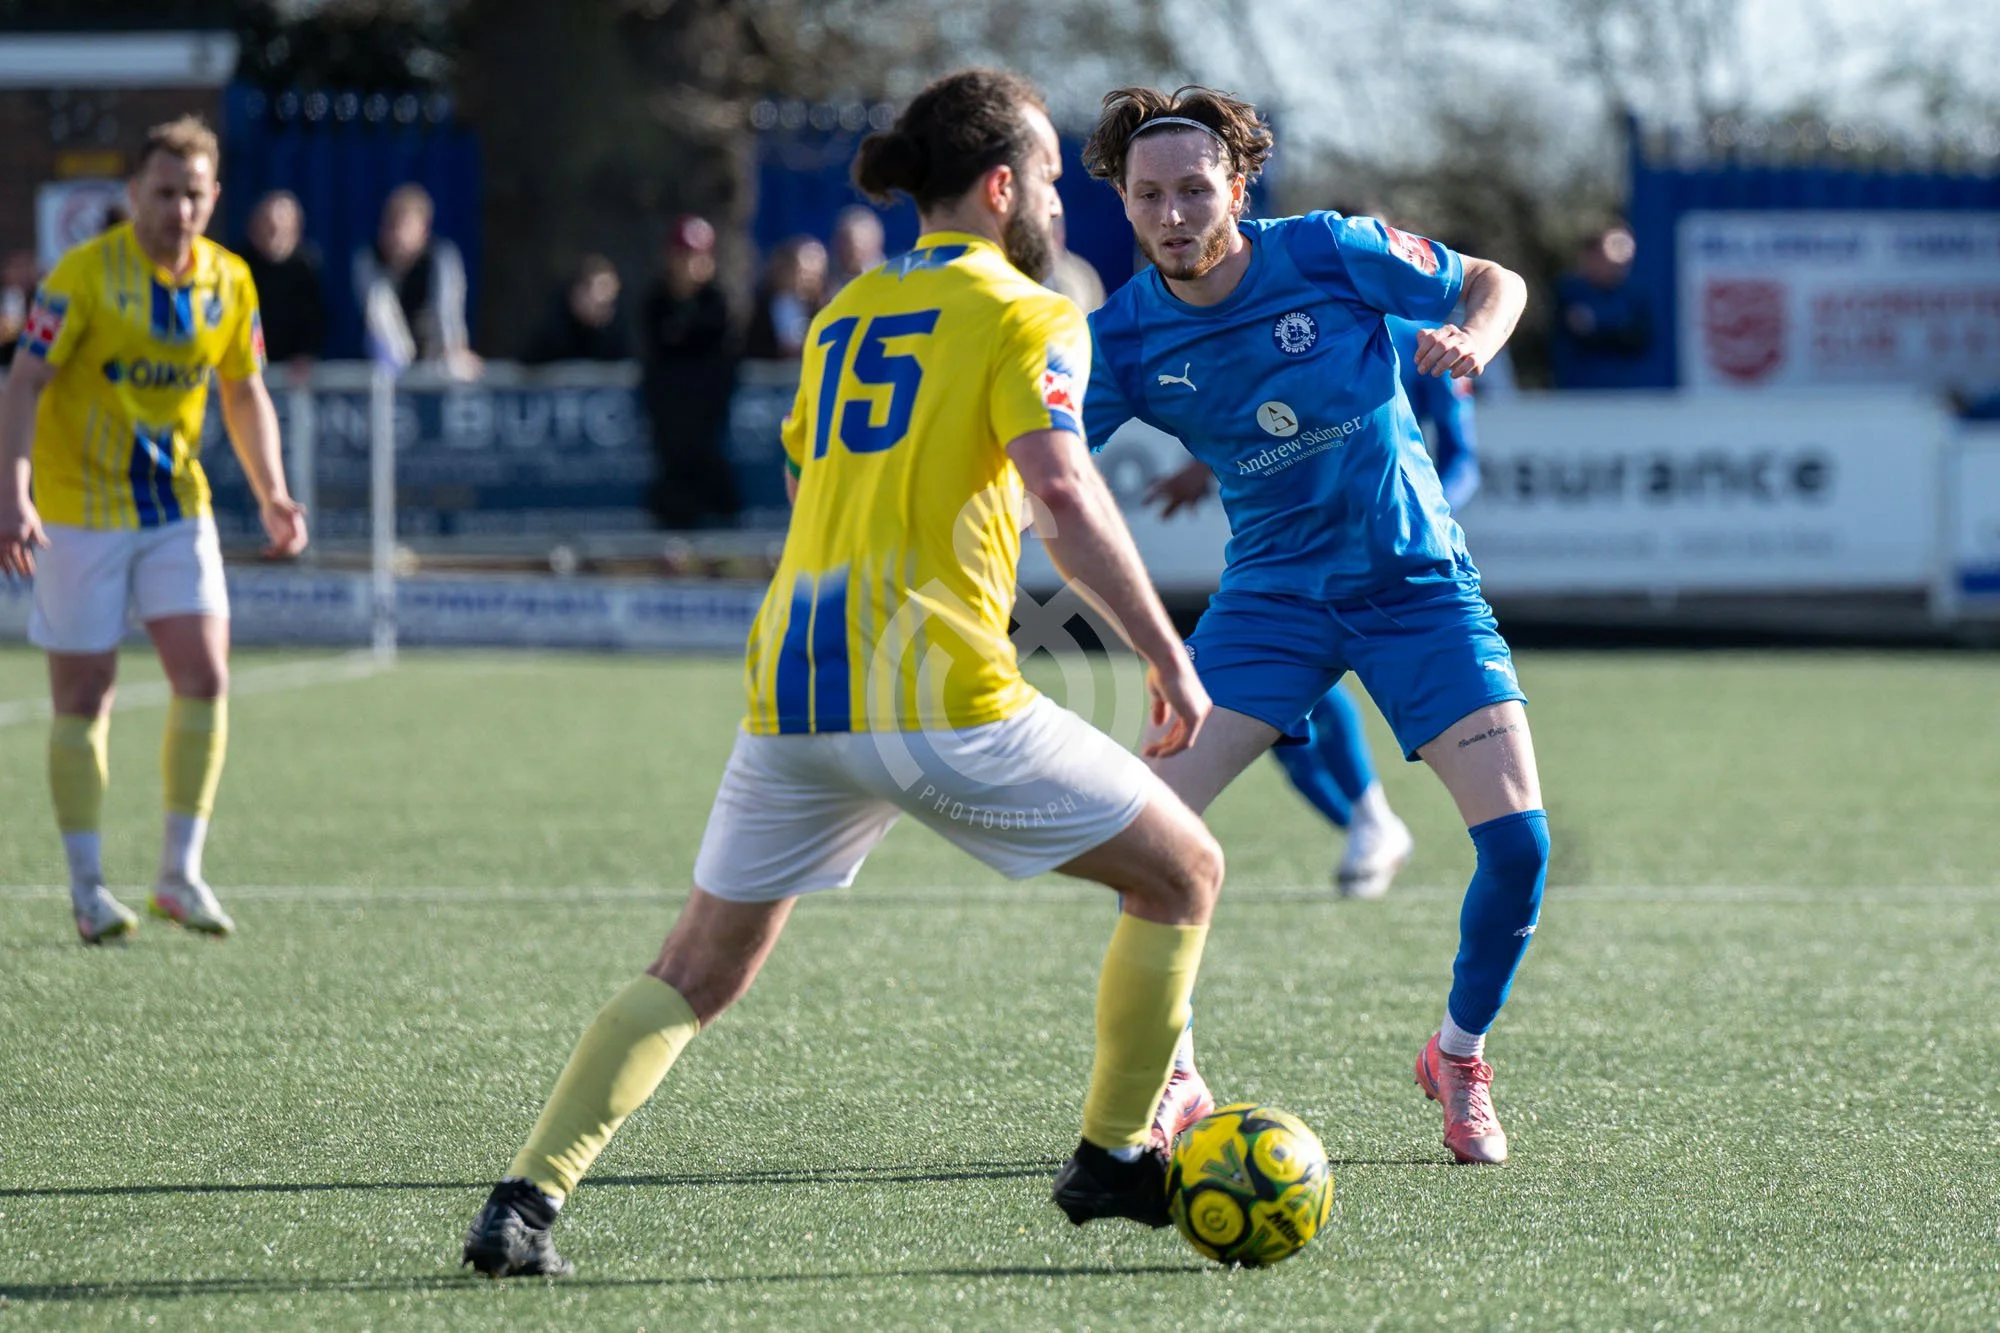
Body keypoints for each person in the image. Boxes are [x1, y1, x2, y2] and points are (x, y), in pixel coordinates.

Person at [460, 66, 1222, 1278]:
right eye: (1046, 180)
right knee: (1184, 870)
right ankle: (1114, 1154)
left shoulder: (845, 311)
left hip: (795, 692)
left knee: (692, 971)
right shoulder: (1031, 312)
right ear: (998, 185)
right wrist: (1168, 662)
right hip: (936, 694)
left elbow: (830, 488)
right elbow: (1065, 495)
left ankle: (523, 1202)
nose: (1062, 212)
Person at [1079, 86, 1546, 1167]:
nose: (1173, 213)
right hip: (1272, 604)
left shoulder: (1330, 252)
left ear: (1237, 189)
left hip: (1416, 586)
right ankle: (1175, 1073)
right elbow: (1042, 456)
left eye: (1195, 189)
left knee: (1518, 847)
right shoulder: (1124, 340)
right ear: (1125, 204)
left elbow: (1495, 281)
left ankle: (1458, 1056)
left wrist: (1470, 338)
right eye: (1149, 196)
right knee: (1141, 842)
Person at [0, 115, 309, 944]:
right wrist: (13, 491)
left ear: (215, 199)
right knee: (85, 694)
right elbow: (24, 382)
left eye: (194, 194)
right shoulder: (81, 277)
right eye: (164, 192)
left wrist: (274, 491)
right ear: (135, 193)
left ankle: (179, 874)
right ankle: (87, 887)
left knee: (206, 675)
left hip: (178, 505)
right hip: (78, 510)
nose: (178, 209)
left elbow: (244, 391)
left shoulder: (230, 282)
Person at [1140, 308, 1482, 899]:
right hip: (1298, 550)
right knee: (1279, 718)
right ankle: (1369, 825)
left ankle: (1375, 823)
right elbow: (1275, 418)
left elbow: (1460, 453)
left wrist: (1426, 510)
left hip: (1395, 558)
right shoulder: (1295, 327)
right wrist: (1202, 466)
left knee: (1307, 698)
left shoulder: (1418, 341)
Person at [638, 216, 740, 529]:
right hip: (670, 417)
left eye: (697, 257)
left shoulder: (717, 301)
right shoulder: (656, 300)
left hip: (707, 415)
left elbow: (711, 345)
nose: (689, 265)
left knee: (714, 481)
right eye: (683, 257)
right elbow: (661, 346)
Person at [352, 183, 480, 379]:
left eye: (404, 226)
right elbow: (380, 317)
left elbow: (448, 312)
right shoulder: (368, 260)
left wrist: (454, 350)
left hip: (437, 359)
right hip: (388, 367)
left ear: (423, 230)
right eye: (391, 225)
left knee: (459, 369)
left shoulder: (442, 258)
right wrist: (403, 371)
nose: (396, 236)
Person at [1550, 222, 1653, 389]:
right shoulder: (1570, 292)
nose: (1620, 261)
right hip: (1579, 395)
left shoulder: (1636, 295)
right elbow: (1577, 332)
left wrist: (1599, 328)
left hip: (1627, 394)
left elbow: (1639, 339)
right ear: (1591, 255)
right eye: (1613, 250)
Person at [241, 190, 326, 376]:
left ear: (295, 231)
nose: (275, 235)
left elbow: (316, 322)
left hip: (293, 381)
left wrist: (306, 354)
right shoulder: (238, 269)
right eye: (269, 228)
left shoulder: (307, 271)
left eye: (282, 229)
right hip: (245, 372)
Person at [523, 253, 629, 364]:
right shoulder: (552, 331)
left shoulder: (614, 335)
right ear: (578, 292)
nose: (606, 299)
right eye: (601, 288)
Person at [743, 235, 827, 359]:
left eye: (811, 275)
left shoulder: (824, 307)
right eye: (800, 272)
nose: (805, 280)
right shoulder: (760, 307)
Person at [1045, 213, 1108, 313]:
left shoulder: (1082, 276)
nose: (1051, 242)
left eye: (1055, 233)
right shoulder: (1016, 275)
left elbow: (1097, 322)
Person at [827, 204, 886, 292]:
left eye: (861, 248)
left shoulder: (893, 281)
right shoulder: (825, 285)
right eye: (846, 245)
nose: (854, 255)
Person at [0, 250, 40, 371]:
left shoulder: (41, 300)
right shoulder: (7, 296)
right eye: (18, 267)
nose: (24, 273)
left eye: (28, 267)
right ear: (6, 271)